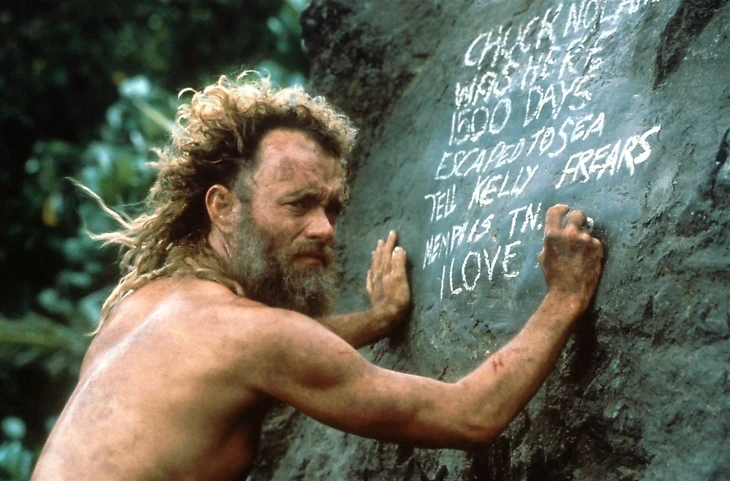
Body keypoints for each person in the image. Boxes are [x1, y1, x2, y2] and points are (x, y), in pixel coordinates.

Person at [31, 74, 603, 481]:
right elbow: (469, 416)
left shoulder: (142, 306)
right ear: (223, 206)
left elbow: (262, 352)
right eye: (299, 204)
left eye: (332, 207)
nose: (325, 228)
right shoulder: (254, 338)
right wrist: (564, 296)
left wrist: (377, 320)